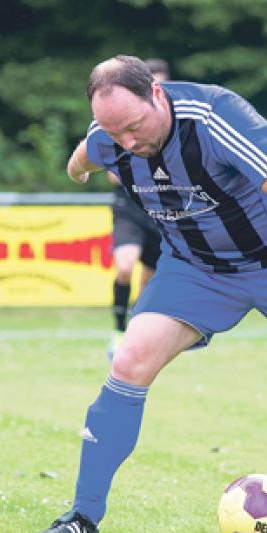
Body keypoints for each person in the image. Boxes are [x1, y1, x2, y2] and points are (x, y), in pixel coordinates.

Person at [37, 55, 267, 533]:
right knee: (128, 362)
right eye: (113, 132)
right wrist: (80, 166)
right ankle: (81, 519)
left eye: (135, 127)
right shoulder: (112, 137)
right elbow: (82, 157)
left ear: (158, 96)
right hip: (196, 270)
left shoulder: (217, 118)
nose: (128, 143)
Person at [105, 58, 169, 361]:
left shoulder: (174, 127)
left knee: (151, 277)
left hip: (158, 211)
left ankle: (135, 333)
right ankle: (117, 330)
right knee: (125, 266)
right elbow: (111, 172)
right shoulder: (123, 122)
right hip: (129, 207)